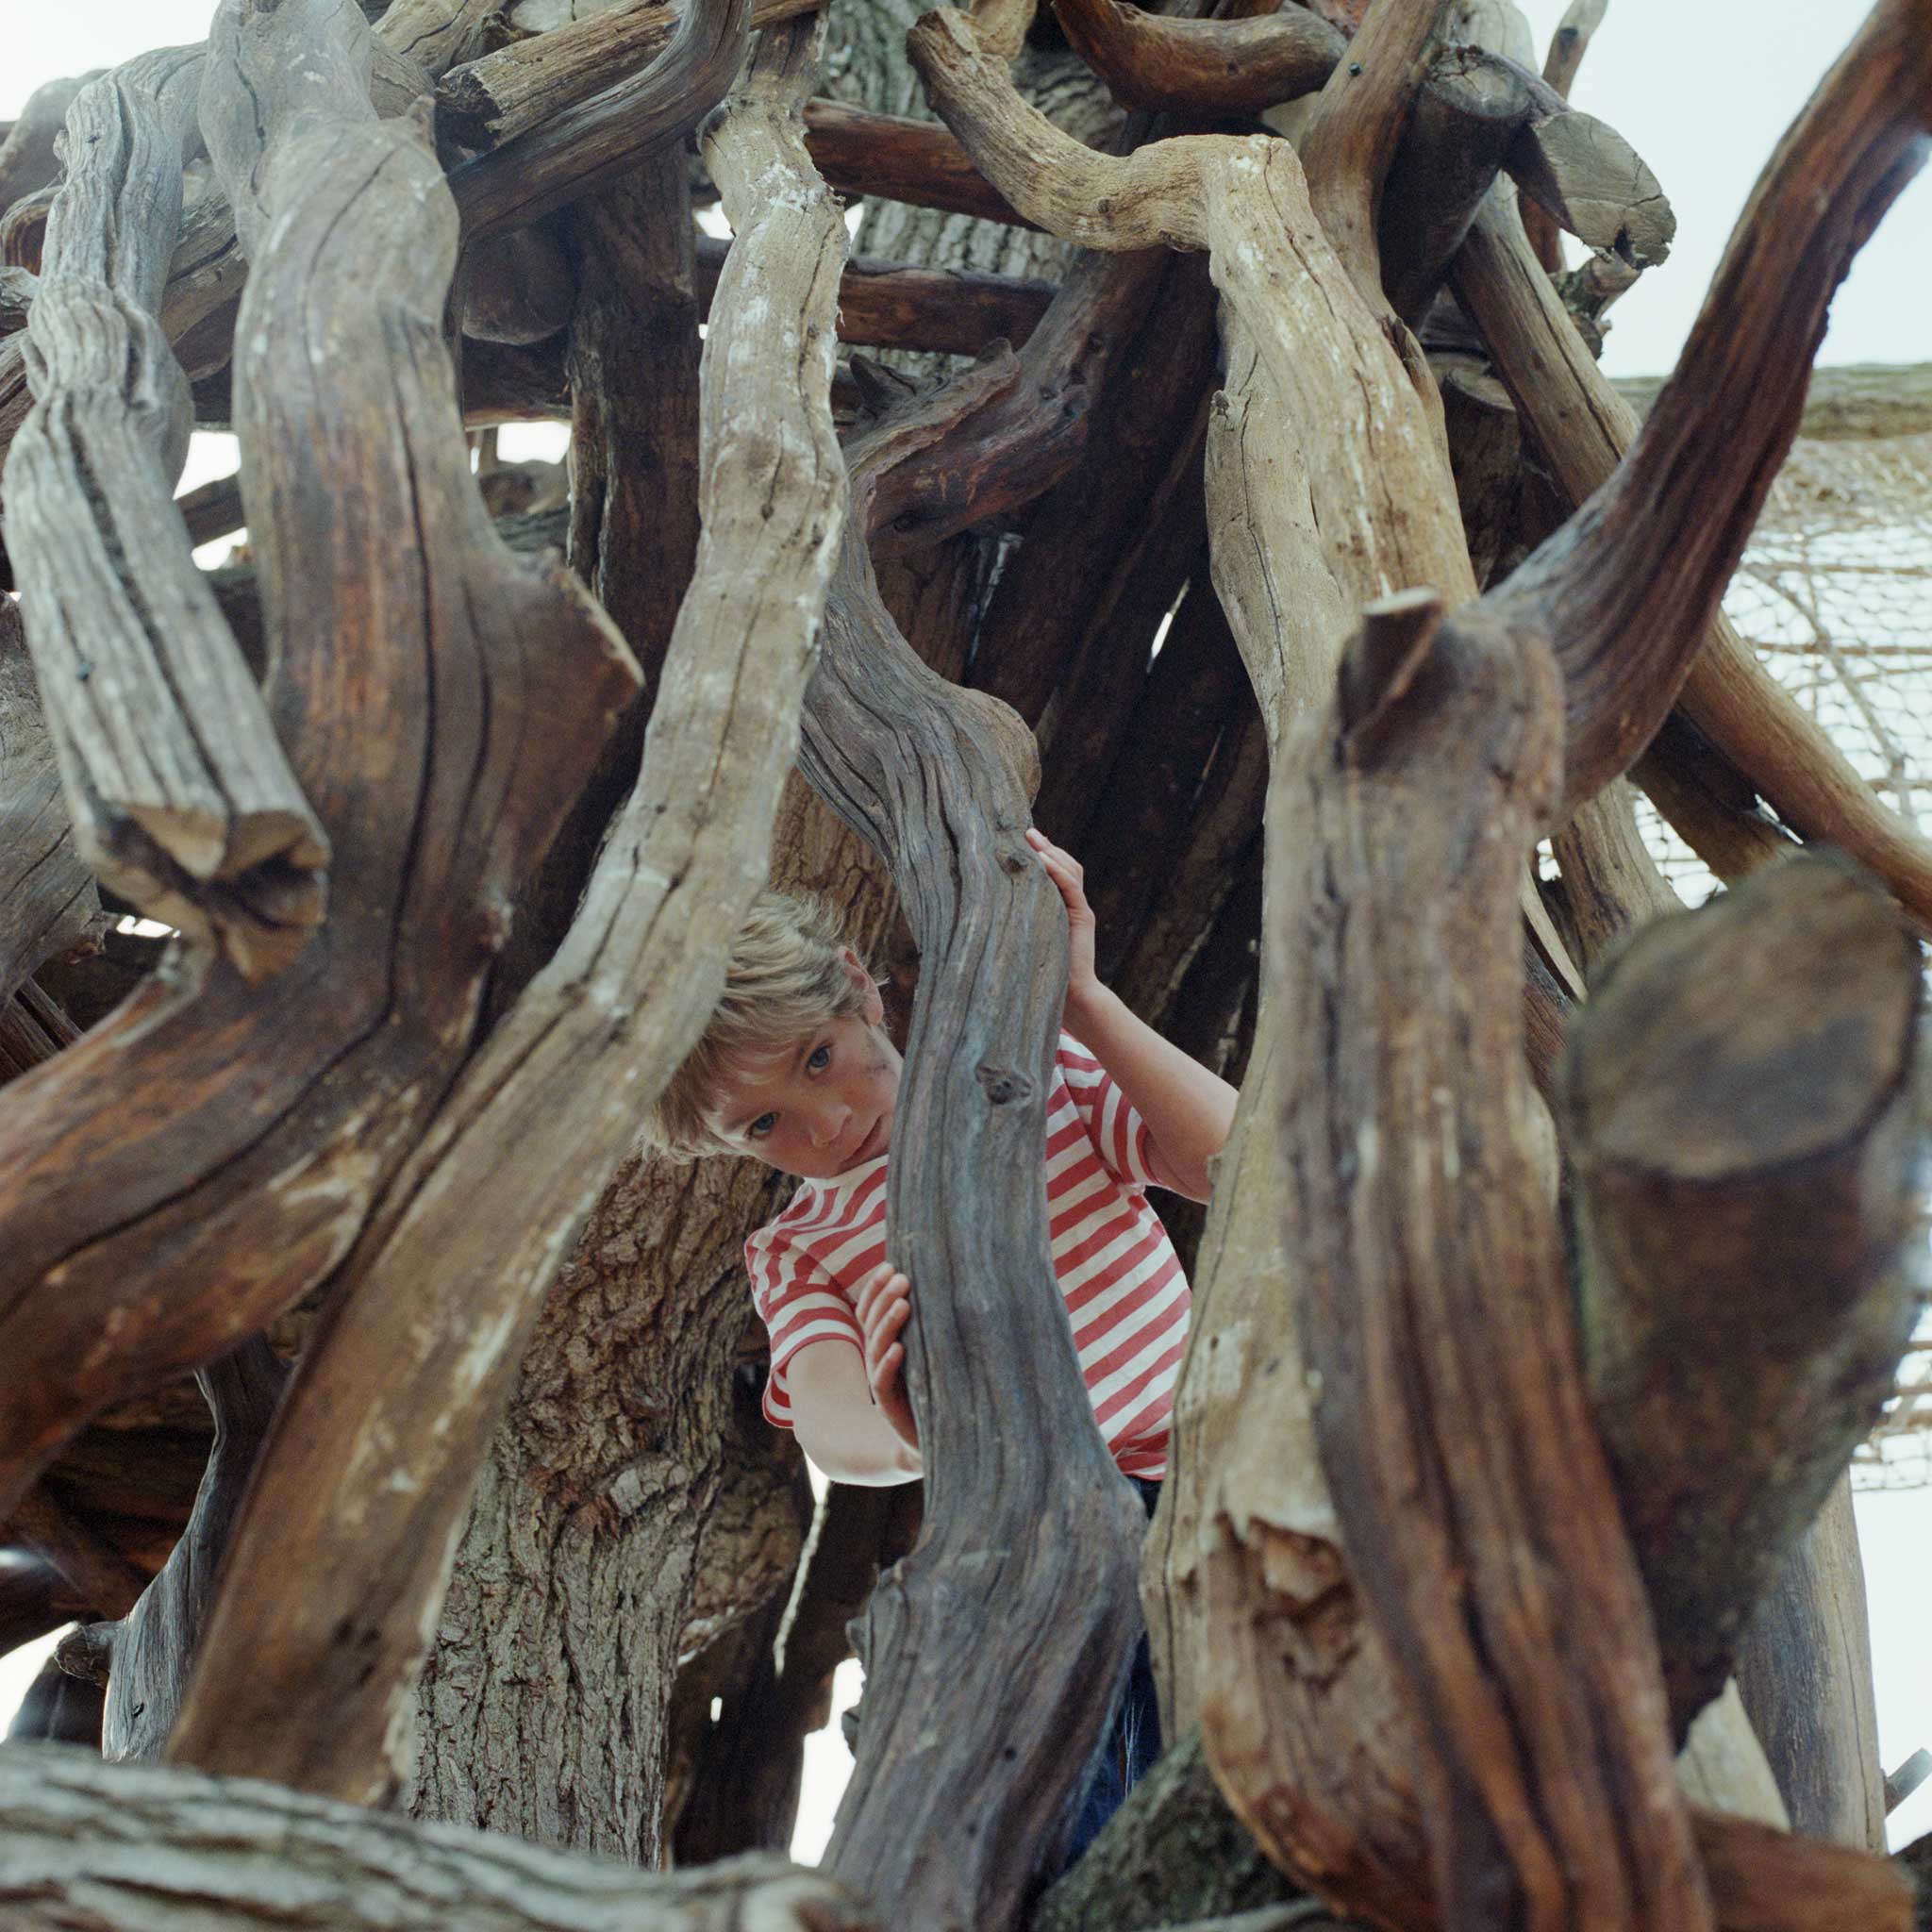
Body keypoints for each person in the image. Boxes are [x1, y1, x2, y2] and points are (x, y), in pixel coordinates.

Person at [645, 827, 1239, 1853]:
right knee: (1060, 1816)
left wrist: (1084, 1004)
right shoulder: (796, 1248)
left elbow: (1230, 1158)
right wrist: (903, 1419)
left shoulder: (1026, 1078)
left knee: (1237, 1773)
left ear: (857, 987)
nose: (824, 1123)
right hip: (1038, 1529)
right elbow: (832, 1427)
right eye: (764, 1124)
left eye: (817, 1058)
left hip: (1216, 1472)